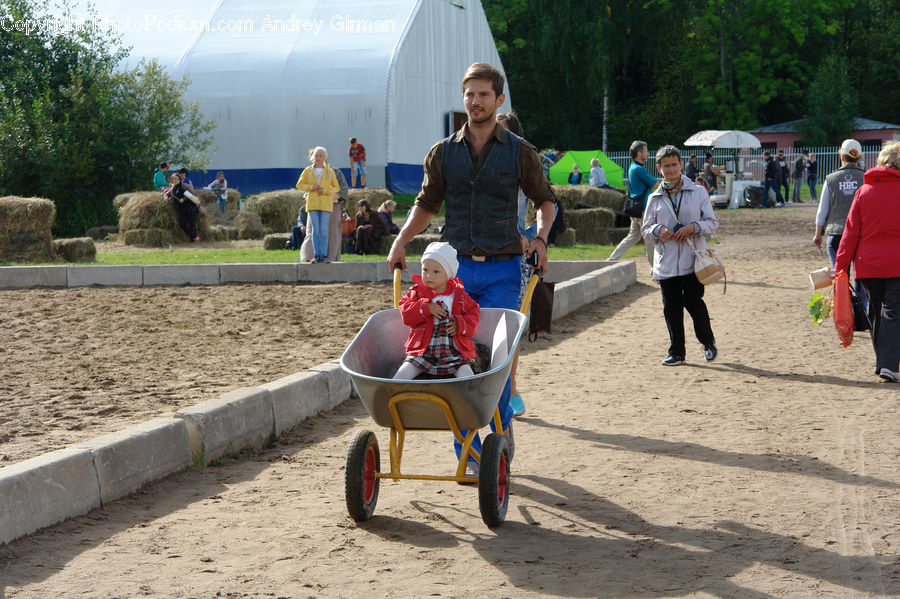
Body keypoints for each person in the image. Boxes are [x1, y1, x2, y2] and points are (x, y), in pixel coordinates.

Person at [387, 62, 556, 474]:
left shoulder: (520, 151)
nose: (475, 102)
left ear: (499, 101)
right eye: (469, 94)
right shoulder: (443, 152)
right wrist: (401, 239)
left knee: (494, 360)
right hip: (454, 276)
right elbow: (426, 206)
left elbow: (545, 201)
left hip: (502, 271)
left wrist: (540, 237)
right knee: (452, 358)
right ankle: (473, 451)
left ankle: (499, 426)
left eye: (483, 94)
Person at [641, 145, 719, 366]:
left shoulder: (698, 192)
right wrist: (659, 230)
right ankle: (677, 352)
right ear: (659, 168)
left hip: (693, 261)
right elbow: (645, 230)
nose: (671, 170)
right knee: (671, 307)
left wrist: (693, 227)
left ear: (681, 164)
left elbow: (713, 224)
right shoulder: (654, 198)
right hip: (666, 262)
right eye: (666, 166)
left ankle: (708, 342)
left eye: (674, 165)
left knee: (693, 302)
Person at [834, 141, 900, 382]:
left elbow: (850, 232)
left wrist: (840, 266)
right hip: (897, 264)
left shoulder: (863, 192)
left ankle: (883, 362)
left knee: (875, 313)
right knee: (893, 312)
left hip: (867, 264)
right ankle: (889, 364)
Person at [394, 242, 479, 381]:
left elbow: (474, 313)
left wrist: (460, 325)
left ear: (448, 274)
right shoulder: (417, 293)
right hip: (422, 353)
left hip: (453, 353)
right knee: (401, 375)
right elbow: (406, 314)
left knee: (467, 376)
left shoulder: (458, 296)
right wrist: (425, 308)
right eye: (425, 269)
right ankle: (393, 396)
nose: (429, 276)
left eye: (436, 272)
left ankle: (469, 401)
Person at [813, 139, 866, 266]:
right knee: (861, 277)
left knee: (840, 276)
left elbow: (822, 210)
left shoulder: (830, 179)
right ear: (859, 157)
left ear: (841, 155)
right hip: (860, 233)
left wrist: (818, 234)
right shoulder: (866, 178)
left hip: (836, 232)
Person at [608, 140, 659, 262]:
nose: (648, 154)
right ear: (639, 152)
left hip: (636, 208)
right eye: (646, 151)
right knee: (649, 238)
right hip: (643, 209)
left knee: (633, 237)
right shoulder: (639, 169)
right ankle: (655, 268)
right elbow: (656, 184)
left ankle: (611, 260)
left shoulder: (633, 167)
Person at [295, 146, 340, 263]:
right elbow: (299, 185)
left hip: (325, 203)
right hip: (312, 203)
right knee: (315, 229)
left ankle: (324, 255)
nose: (318, 158)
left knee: (324, 229)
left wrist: (325, 191)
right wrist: (311, 187)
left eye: (321, 156)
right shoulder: (307, 171)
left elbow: (336, 187)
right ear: (312, 157)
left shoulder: (330, 171)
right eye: (316, 155)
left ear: (325, 158)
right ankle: (316, 255)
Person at [301, 166, 350, 262]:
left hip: (331, 205)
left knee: (332, 233)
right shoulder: (309, 171)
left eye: (322, 156)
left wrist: (333, 196)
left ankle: (330, 259)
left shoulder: (335, 172)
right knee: (312, 232)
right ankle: (309, 258)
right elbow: (305, 188)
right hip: (314, 205)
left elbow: (343, 190)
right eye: (317, 156)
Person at [164, 172, 200, 243]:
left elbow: (191, 193)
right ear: (171, 180)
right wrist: (165, 197)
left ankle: (193, 239)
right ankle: (193, 237)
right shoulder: (173, 188)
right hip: (181, 209)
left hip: (189, 207)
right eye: (173, 179)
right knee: (182, 224)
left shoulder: (184, 186)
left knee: (191, 223)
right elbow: (167, 194)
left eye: (177, 178)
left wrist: (184, 198)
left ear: (180, 179)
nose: (175, 180)